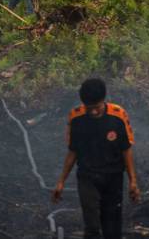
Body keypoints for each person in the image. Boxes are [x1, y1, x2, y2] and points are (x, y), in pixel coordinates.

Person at [52, 78, 141, 239]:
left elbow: (126, 150)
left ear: (104, 100)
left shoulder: (118, 115)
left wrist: (133, 181)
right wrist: (61, 182)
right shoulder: (75, 117)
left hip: (113, 177)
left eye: (97, 108)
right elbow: (73, 152)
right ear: (83, 103)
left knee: (112, 227)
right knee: (92, 225)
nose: (93, 112)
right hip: (87, 177)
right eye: (89, 108)